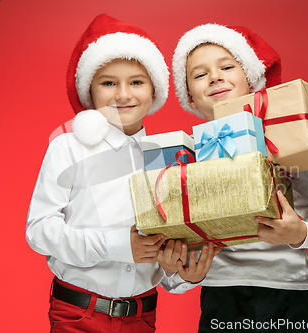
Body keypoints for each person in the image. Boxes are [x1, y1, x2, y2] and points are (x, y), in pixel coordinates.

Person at [26, 14, 217, 333]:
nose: (123, 95)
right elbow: (40, 230)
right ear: (90, 90)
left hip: (142, 316)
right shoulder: (68, 147)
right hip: (78, 313)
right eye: (108, 82)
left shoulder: (170, 156)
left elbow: (167, 251)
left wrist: (184, 275)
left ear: (154, 90)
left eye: (136, 82)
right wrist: (117, 245)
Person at [165, 23, 308, 332]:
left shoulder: (283, 142)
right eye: (200, 74)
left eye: (227, 66)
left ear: (251, 79)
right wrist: (179, 272)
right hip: (222, 294)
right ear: (190, 97)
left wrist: (298, 233)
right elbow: (183, 243)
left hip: (289, 291)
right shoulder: (181, 157)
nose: (215, 77)